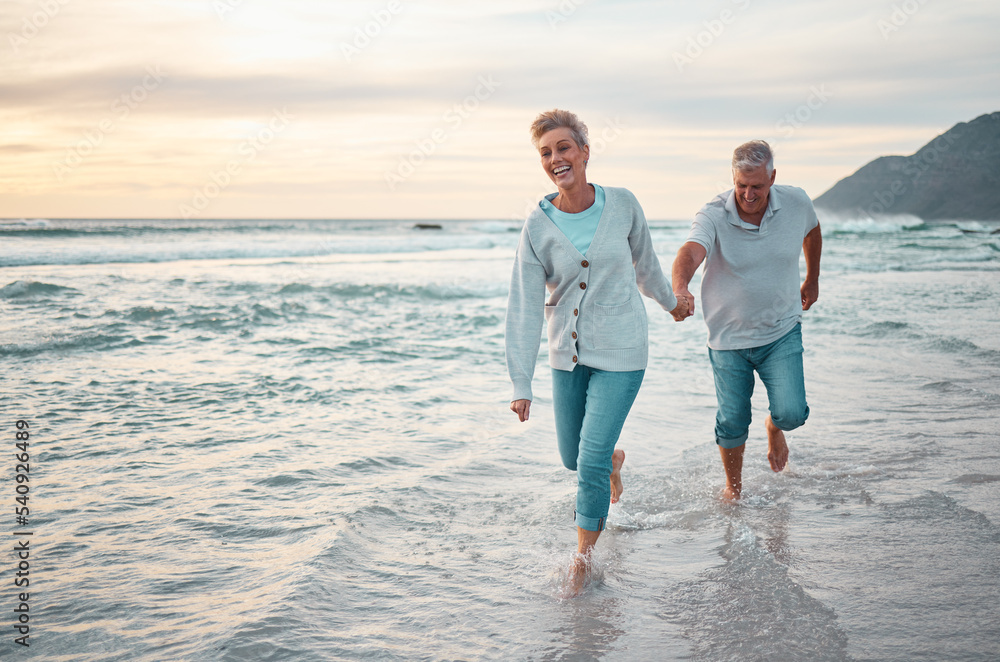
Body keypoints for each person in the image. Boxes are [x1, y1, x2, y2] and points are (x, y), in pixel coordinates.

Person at [505, 109, 690, 592]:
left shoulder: (624, 204)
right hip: (567, 358)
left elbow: (647, 268)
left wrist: (673, 304)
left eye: (564, 148)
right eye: (545, 152)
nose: (555, 159)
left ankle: (582, 561)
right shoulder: (536, 226)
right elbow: (524, 306)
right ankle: (611, 462)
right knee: (576, 457)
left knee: (585, 462)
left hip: (624, 351)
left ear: (585, 152)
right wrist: (520, 382)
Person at [671, 140, 822, 500]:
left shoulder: (796, 201)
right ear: (733, 179)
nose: (748, 195)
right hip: (728, 339)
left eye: (757, 186)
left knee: (791, 414)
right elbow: (690, 252)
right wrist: (680, 287)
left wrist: (812, 277)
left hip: (781, 331)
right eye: (741, 186)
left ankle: (775, 427)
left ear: (773, 177)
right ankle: (734, 490)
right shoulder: (713, 214)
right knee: (732, 421)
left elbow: (812, 231)